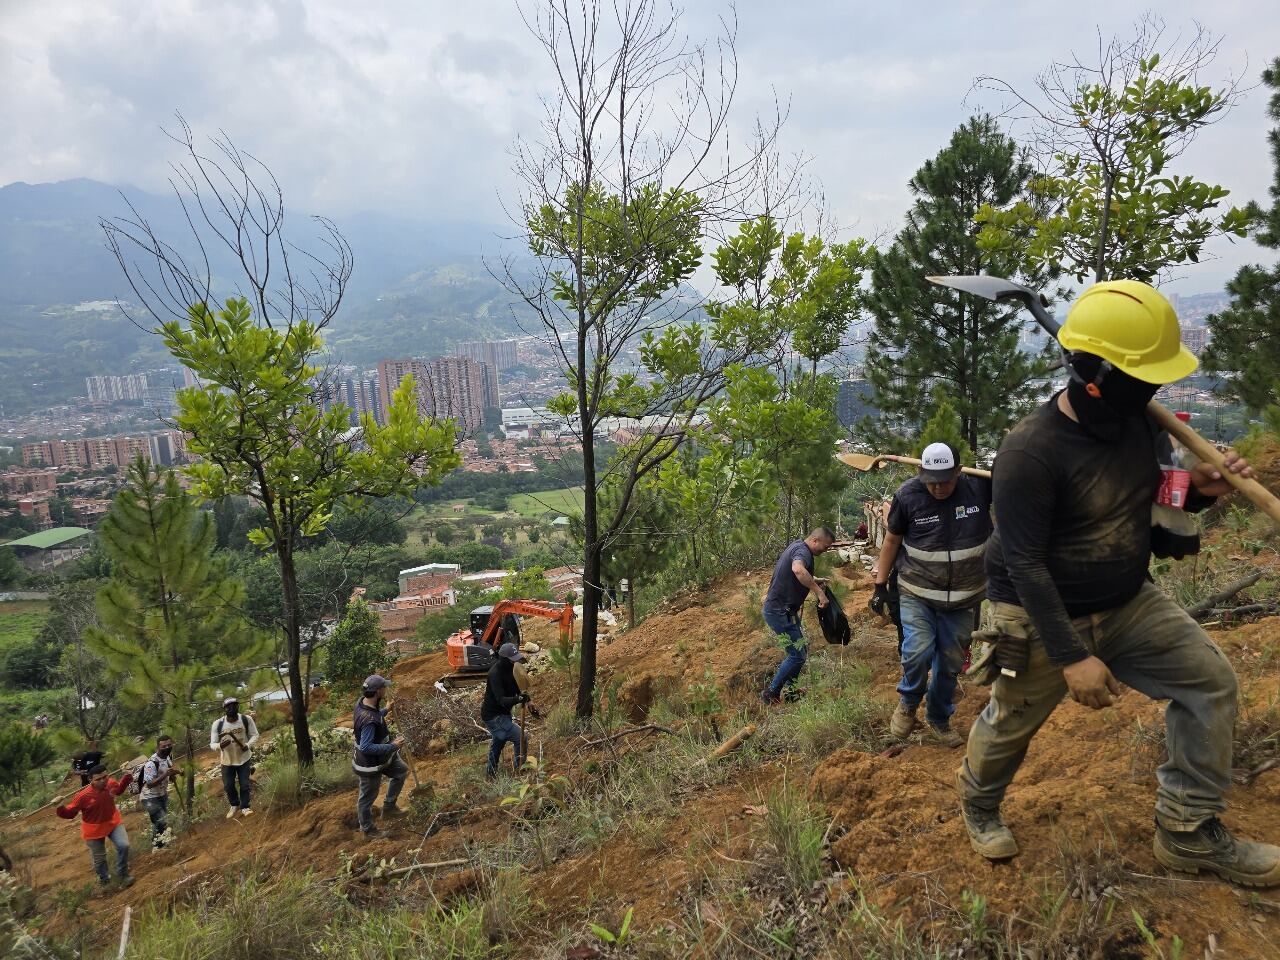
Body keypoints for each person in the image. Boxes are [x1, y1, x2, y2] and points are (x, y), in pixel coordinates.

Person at [957, 280, 1279, 887]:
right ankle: (978, 800)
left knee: (1209, 683)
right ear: (1093, 375)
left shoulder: (1142, 425)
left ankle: (1187, 831)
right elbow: (1024, 564)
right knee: (1010, 723)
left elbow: (1153, 510)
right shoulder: (1031, 451)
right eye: (1142, 379)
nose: (1151, 391)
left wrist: (1202, 491)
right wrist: (1073, 656)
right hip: (1037, 610)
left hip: (1127, 600)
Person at [873, 443, 992, 748]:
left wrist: (1009, 472)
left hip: (964, 598)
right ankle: (909, 703)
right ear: (920, 472)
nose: (938, 488)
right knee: (917, 651)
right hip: (918, 591)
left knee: (951, 663)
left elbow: (1021, 489)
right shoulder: (909, 495)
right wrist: (880, 586)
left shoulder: (980, 488)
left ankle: (938, 719)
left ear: (958, 471)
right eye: (931, 481)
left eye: (945, 480)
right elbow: (891, 541)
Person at [759, 527, 836, 705]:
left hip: (784, 611)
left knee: (800, 650)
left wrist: (813, 579)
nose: (824, 551)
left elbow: (797, 572)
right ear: (815, 540)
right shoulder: (803, 551)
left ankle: (792, 692)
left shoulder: (798, 546)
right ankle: (771, 694)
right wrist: (819, 592)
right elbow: (797, 570)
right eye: (824, 547)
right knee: (797, 655)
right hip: (779, 612)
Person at [56, 764, 135, 889]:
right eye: (98, 779)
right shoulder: (82, 796)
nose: (103, 780)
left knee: (123, 845)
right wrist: (60, 806)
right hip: (93, 830)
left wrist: (127, 775)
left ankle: (123, 874)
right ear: (90, 780)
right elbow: (70, 814)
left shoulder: (111, 783)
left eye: (105, 777)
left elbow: (118, 790)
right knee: (99, 860)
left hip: (112, 822)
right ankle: (105, 882)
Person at [352, 674, 409, 838]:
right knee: (367, 797)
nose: (386, 689)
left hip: (382, 756)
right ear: (378, 691)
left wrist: (386, 710)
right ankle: (368, 830)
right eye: (384, 687)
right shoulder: (369, 720)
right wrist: (392, 746)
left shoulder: (363, 703)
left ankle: (389, 808)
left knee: (400, 771)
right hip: (369, 763)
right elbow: (366, 746)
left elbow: (375, 715)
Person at [482, 642, 530, 777]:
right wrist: (519, 699)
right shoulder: (494, 674)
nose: (514, 662)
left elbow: (520, 688)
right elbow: (501, 700)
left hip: (504, 714)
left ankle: (490, 774)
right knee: (521, 737)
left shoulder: (512, 669)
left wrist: (529, 701)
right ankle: (521, 770)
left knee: (498, 742)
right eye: (511, 660)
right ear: (503, 659)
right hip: (493, 716)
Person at [210, 697, 258, 819]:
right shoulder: (218, 724)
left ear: (238, 706)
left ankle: (245, 807)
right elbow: (212, 744)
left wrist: (247, 745)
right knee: (228, 786)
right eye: (229, 706)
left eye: (234, 705)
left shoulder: (246, 719)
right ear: (225, 709)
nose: (232, 708)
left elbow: (255, 735)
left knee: (245, 784)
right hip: (227, 761)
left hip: (244, 758)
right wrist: (219, 746)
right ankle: (234, 804)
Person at [139, 735, 181, 847]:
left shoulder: (168, 757)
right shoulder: (151, 763)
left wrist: (171, 776)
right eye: (164, 746)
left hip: (162, 794)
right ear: (158, 747)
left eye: (169, 745)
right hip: (149, 797)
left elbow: (168, 773)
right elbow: (149, 784)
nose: (167, 747)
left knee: (158, 822)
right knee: (163, 819)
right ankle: (162, 845)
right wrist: (166, 775)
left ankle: (158, 846)